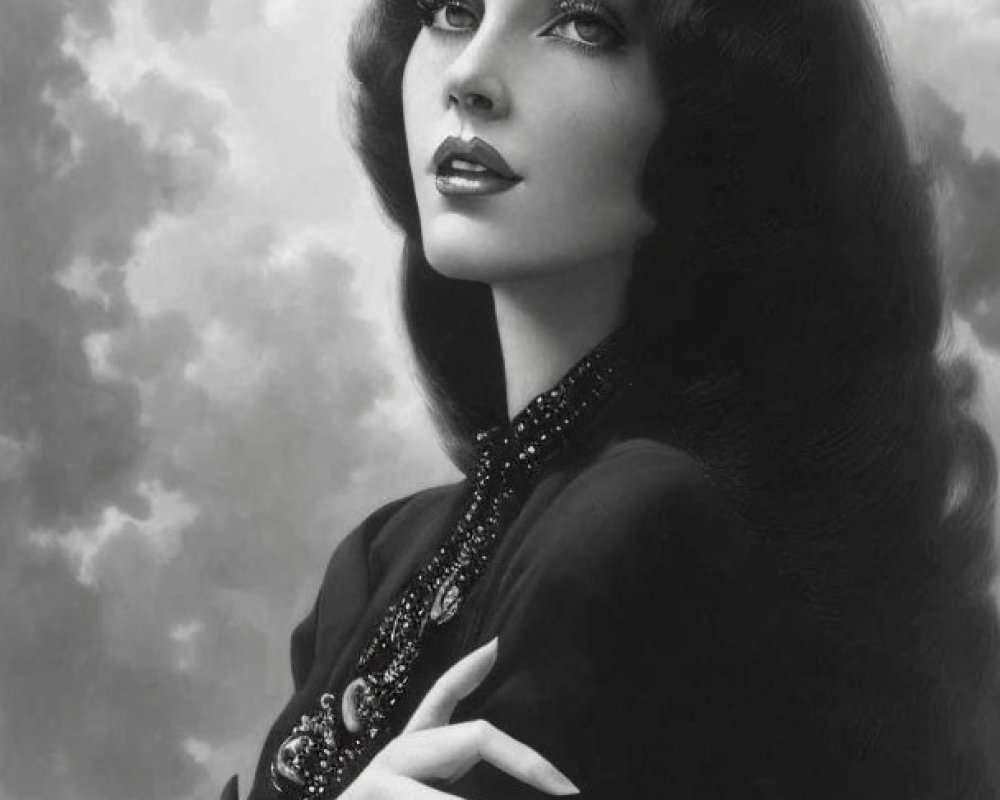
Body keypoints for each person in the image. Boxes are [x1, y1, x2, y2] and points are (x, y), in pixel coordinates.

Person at [222, 0, 1000, 797]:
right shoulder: (381, 556)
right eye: (452, 10)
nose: (468, 77)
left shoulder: (642, 521)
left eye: (583, 25)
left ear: (717, 116)